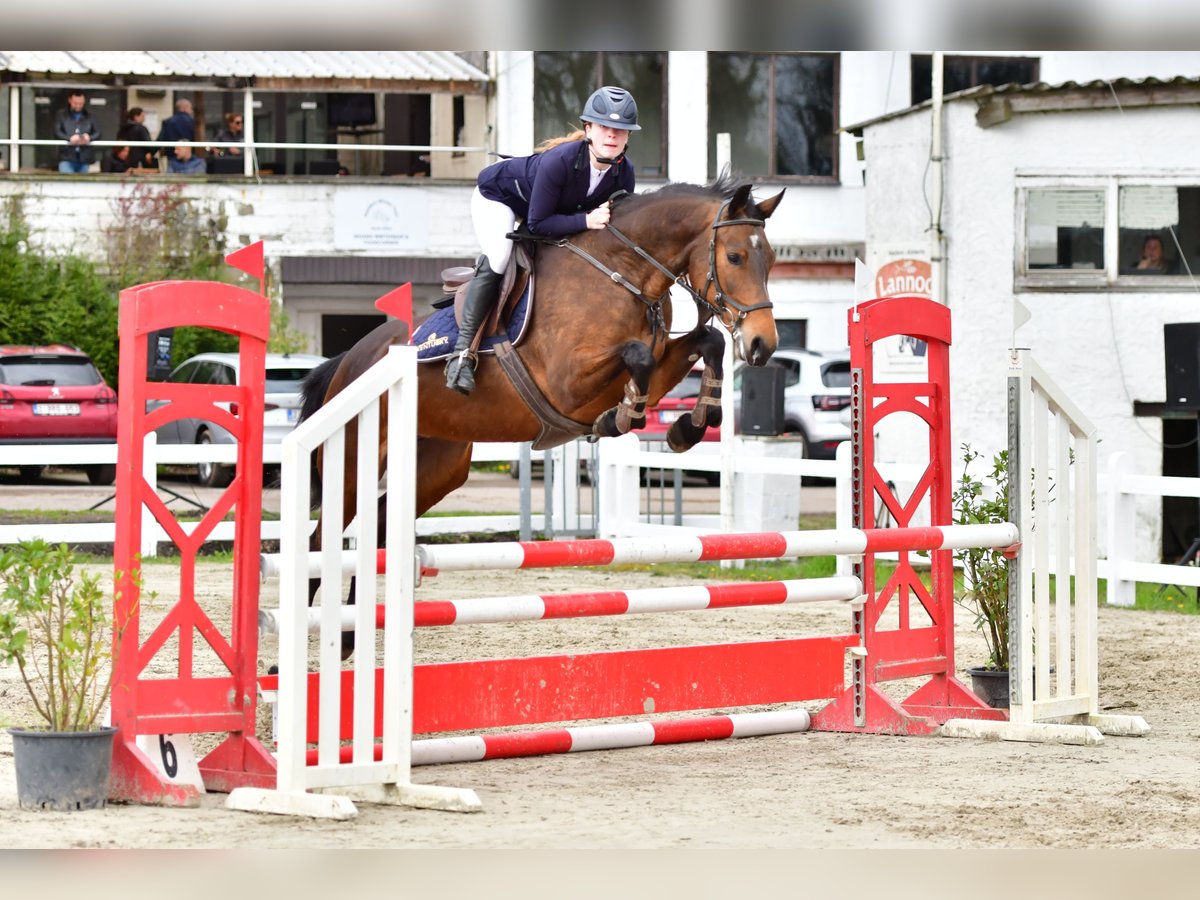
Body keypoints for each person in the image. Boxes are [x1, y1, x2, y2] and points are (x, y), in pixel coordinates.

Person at [444, 85, 640, 395]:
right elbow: (537, 223)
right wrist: (585, 221)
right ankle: (461, 355)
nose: (612, 135)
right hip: (499, 197)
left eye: (620, 130)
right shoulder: (559, 161)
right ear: (589, 128)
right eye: (604, 127)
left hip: (547, 211)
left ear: (628, 137)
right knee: (499, 257)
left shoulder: (624, 174)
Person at [53, 90, 99, 174]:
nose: (78, 106)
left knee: (83, 185)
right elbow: (57, 132)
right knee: (67, 184)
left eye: (81, 103)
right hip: (66, 157)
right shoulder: (61, 115)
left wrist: (89, 137)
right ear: (70, 100)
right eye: (75, 103)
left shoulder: (91, 115)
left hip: (85, 157)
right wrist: (69, 139)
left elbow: (98, 133)